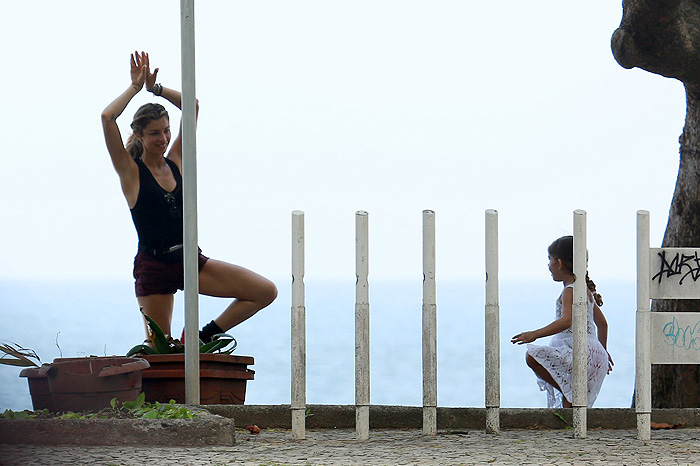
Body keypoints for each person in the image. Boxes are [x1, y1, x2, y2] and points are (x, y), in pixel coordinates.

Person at [101, 51, 277, 346]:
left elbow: (191, 106)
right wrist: (134, 88)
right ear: (139, 135)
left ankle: (199, 336)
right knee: (160, 349)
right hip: (154, 267)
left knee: (264, 291)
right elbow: (107, 117)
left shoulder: (177, 161)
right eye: (155, 133)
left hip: (189, 260)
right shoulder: (130, 172)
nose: (163, 138)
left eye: (167, 131)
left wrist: (154, 89)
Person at [510, 235, 613, 408]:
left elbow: (567, 321)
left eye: (549, 260)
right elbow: (602, 324)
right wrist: (603, 351)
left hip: (576, 349)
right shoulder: (585, 291)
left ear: (559, 263)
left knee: (532, 357)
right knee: (570, 404)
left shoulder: (570, 291)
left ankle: (571, 393)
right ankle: (570, 402)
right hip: (594, 352)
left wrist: (534, 334)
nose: (548, 266)